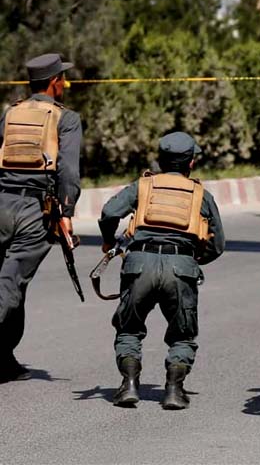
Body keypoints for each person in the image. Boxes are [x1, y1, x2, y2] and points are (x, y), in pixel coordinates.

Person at [98, 132, 225, 410]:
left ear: (160, 159)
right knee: (182, 334)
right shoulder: (201, 194)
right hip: (181, 268)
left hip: (139, 265)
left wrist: (108, 241)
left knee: (129, 328)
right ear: (191, 163)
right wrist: (190, 262)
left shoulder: (142, 186)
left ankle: (129, 385)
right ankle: (174, 391)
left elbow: (109, 212)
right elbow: (218, 244)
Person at [0, 53, 82, 383]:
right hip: (34, 211)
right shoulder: (66, 118)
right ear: (53, 83)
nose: (64, 83)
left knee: (13, 283)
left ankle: (3, 358)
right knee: (9, 283)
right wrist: (66, 212)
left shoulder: (11, 113)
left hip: (1, 201)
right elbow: (68, 171)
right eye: (61, 78)